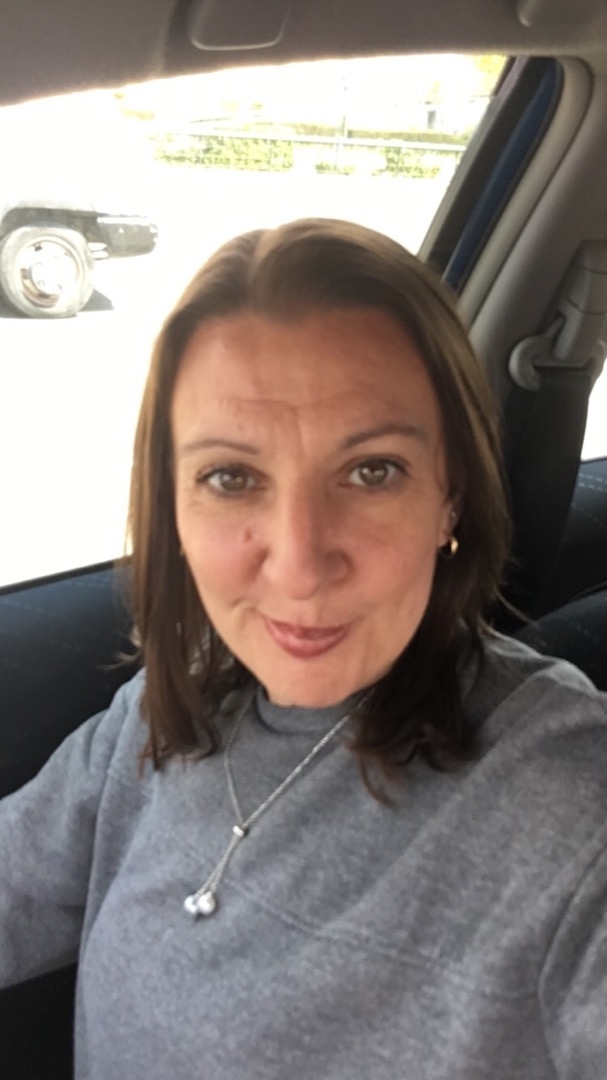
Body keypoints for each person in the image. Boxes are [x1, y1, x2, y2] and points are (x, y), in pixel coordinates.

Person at [1, 217, 606, 1079]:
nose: (298, 564)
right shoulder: (160, 717)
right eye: (230, 477)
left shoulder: (567, 797)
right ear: (173, 505)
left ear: (451, 496)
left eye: (371, 471)